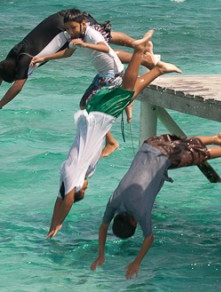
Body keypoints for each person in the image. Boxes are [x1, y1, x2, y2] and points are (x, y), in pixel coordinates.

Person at [46, 32, 181, 239]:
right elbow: (60, 198)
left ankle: (139, 50)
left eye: (85, 189)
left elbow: (67, 200)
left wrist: (59, 224)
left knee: (127, 90)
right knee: (127, 96)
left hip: (99, 115)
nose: (88, 185)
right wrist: (52, 225)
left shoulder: (73, 174)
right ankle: (157, 70)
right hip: (94, 114)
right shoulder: (70, 175)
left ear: (79, 188)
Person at [90, 132, 221, 280]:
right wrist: (100, 253)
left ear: (133, 223)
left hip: (164, 155)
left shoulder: (140, 212)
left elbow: (149, 238)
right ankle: (217, 138)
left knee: (198, 155)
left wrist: (137, 262)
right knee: (186, 144)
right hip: (149, 145)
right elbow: (103, 226)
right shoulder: (113, 201)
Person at [0, 9, 161, 119]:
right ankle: (140, 48)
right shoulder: (12, 56)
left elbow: (17, 87)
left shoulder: (23, 63)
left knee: (101, 43)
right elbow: (0, 73)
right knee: (103, 36)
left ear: (17, 72)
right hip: (60, 21)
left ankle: (142, 55)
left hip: (66, 24)